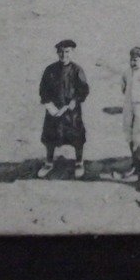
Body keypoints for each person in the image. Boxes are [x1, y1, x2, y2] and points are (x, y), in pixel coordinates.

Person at [38, 39, 90, 179]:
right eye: (60, 52)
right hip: (54, 111)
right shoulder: (50, 70)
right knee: (50, 136)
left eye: (67, 52)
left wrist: (75, 101)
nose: (63, 55)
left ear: (72, 52)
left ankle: (79, 162)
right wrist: (49, 105)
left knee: (77, 136)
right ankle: (49, 162)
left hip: (71, 112)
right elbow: (43, 90)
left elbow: (84, 90)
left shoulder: (77, 70)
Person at [119, 47, 140, 192]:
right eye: (131, 59)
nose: (133, 63)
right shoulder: (126, 73)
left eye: (136, 60)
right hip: (128, 107)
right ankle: (134, 164)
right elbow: (123, 88)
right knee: (129, 135)